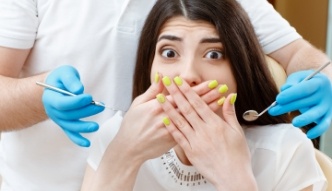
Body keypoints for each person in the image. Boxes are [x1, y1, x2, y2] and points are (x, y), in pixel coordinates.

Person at [0, 0, 331, 191]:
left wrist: (323, 78)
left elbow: (303, 55)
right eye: (169, 53)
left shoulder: (281, 154)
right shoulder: (114, 139)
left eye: (214, 54)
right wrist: (37, 96)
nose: (187, 76)